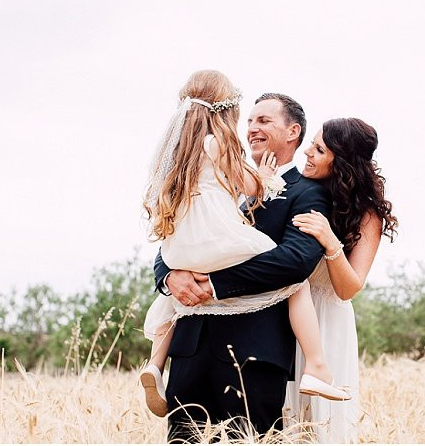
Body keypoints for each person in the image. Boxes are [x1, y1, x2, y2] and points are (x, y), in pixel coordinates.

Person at [140, 71, 349, 420]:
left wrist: (214, 283)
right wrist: (168, 276)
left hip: (252, 352)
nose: (251, 127)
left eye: (264, 120)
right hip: (190, 350)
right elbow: (174, 237)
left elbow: (294, 261)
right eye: (249, 120)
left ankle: (317, 365)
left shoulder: (307, 192)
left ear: (292, 132)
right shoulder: (220, 176)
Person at [285, 117, 399, 442]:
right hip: (287, 312)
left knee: (322, 425)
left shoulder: (367, 214)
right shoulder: (300, 193)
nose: (307, 152)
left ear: (342, 163)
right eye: (313, 144)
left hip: (328, 323)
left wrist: (330, 240)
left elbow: (349, 288)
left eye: (319, 150)